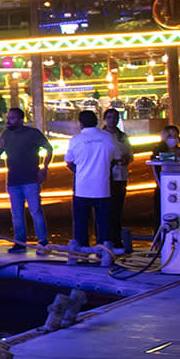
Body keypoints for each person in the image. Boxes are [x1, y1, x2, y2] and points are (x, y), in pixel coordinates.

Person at [0, 105, 52, 252]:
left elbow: (49, 148)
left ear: (21, 119)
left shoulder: (32, 133)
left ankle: (42, 241)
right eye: (8, 118)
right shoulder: (5, 134)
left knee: (35, 211)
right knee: (17, 214)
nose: (8, 120)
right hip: (13, 180)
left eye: (12, 118)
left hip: (30, 179)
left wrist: (44, 168)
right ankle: (20, 242)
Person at [64, 109, 117, 257]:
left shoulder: (75, 140)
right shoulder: (107, 138)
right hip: (102, 187)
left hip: (82, 187)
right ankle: (103, 252)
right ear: (97, 121)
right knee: (103, 222)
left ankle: (82, 252)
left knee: (81, 222)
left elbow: (69, 161)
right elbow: (113, 157)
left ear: (80, 123)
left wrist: (79, 171)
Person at [102, 106, 135, 249]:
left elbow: (130, 155)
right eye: (109, 117)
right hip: (106, 177)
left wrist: (125, 160)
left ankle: (116, 239)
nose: (112, 120)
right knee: (107, 210)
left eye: (115, 118)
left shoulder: (122, 137)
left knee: (117, 209)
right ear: (105, 119)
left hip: (120, 176)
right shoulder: (101, 136)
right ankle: (106, 238)